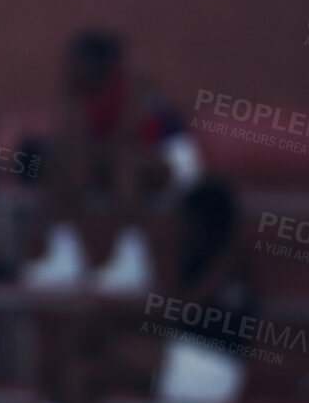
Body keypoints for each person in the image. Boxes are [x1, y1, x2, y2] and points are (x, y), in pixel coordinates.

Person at [0, 180, 252, 403]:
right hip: (180, 360)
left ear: (205, 221)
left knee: (95, 335)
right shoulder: (194, 253)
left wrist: (122, 312)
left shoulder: (230, 257)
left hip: (212, 372)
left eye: (185, 219)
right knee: (79, 372)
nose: (178, 225)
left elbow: (183, 311)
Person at [21, 29, 202, 294]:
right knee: (63, 165)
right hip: (120, 156)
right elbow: (69, 142)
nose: (70, 70)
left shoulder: (133, 84)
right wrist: (68, 97)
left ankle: (133, 259)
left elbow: (125, 138)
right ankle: (66, 254)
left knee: (123, 163)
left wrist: (92, 154)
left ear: (95, 63)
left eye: (74, 64)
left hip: (171, 158)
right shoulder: (83, 92)